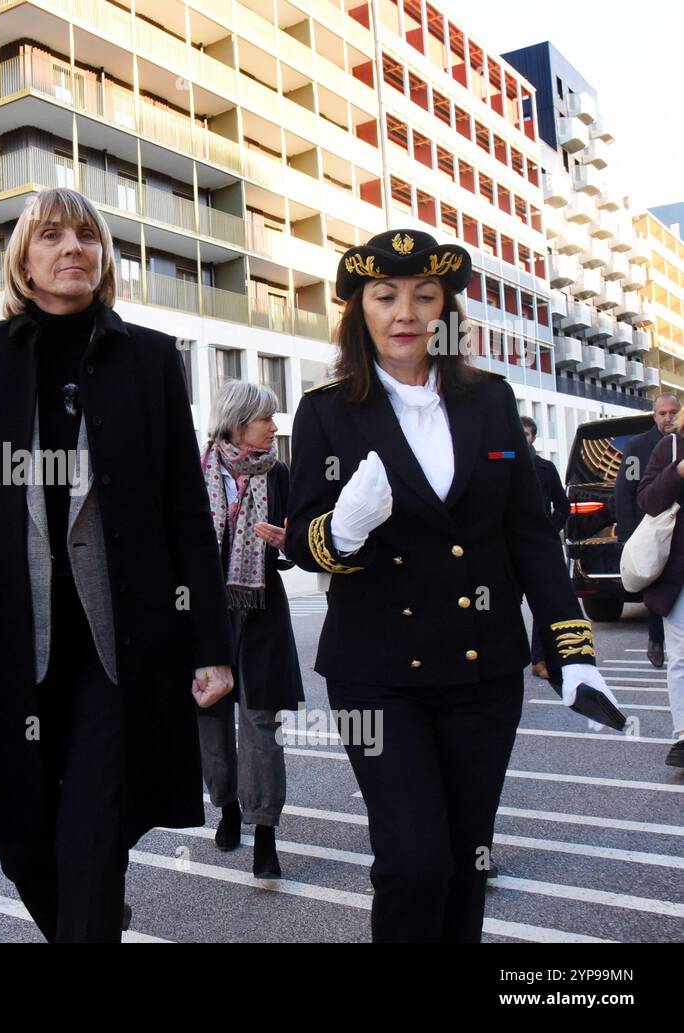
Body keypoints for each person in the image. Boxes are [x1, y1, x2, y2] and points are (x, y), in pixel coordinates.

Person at [0, 187, 234, 943]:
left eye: (87, 237)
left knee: (93, 833)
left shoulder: (148, 358)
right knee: (18, 838)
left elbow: (186, 507)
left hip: (115, 645)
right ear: (22, 260)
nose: (73, 249)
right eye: (52, 236)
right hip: (7, 639)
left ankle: (93, 918)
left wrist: (211, 643)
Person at [285, 228, 620, 943]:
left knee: (467, 863)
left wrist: (574, 650)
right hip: (377, 673)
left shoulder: (489, 402)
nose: (405, 310)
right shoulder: (326, 408)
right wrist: (342, 530)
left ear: (446, 312)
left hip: (481, 670)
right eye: (385, 295)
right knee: (411, 862)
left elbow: (530, 534)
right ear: (359, 311)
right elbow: (305, 537)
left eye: (424, 295)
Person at [197, 381, 303, 879]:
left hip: (262, 608)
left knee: (262, 722)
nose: (274, 428)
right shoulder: (196, 471)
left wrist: (288, 543)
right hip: (205, 612)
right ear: (238, 421)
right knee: (211, 717)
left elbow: (300, 539)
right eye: (266, 419)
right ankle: (227, 808)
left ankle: (265, 831)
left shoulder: (279, 473)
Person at [632, 419, 684, 768]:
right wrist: (678, 471)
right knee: (681, 658)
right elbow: (648, 501)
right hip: (680, 575)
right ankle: (683, 736)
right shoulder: (671, 447)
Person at [616, 394, 679, 669]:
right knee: (655, 584)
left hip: (678, 537)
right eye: (662, 413)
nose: (667, 418)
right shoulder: (639, 445)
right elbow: (625, 491)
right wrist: (629, 536)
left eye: (672, 412)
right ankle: (655, 638)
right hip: (650, 528)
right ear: (654, 416)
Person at [520, 415, 571, 679]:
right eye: (519, 433)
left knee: (544, 603)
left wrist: (551, 531)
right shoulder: (502, 463)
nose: (523, 437)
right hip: (508, 545)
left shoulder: (545, 468)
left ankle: (540, 659)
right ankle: (513, 656)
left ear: (534, 438)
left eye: (527, 434)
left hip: (540, 546)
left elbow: (563, 506)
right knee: (506, 604)